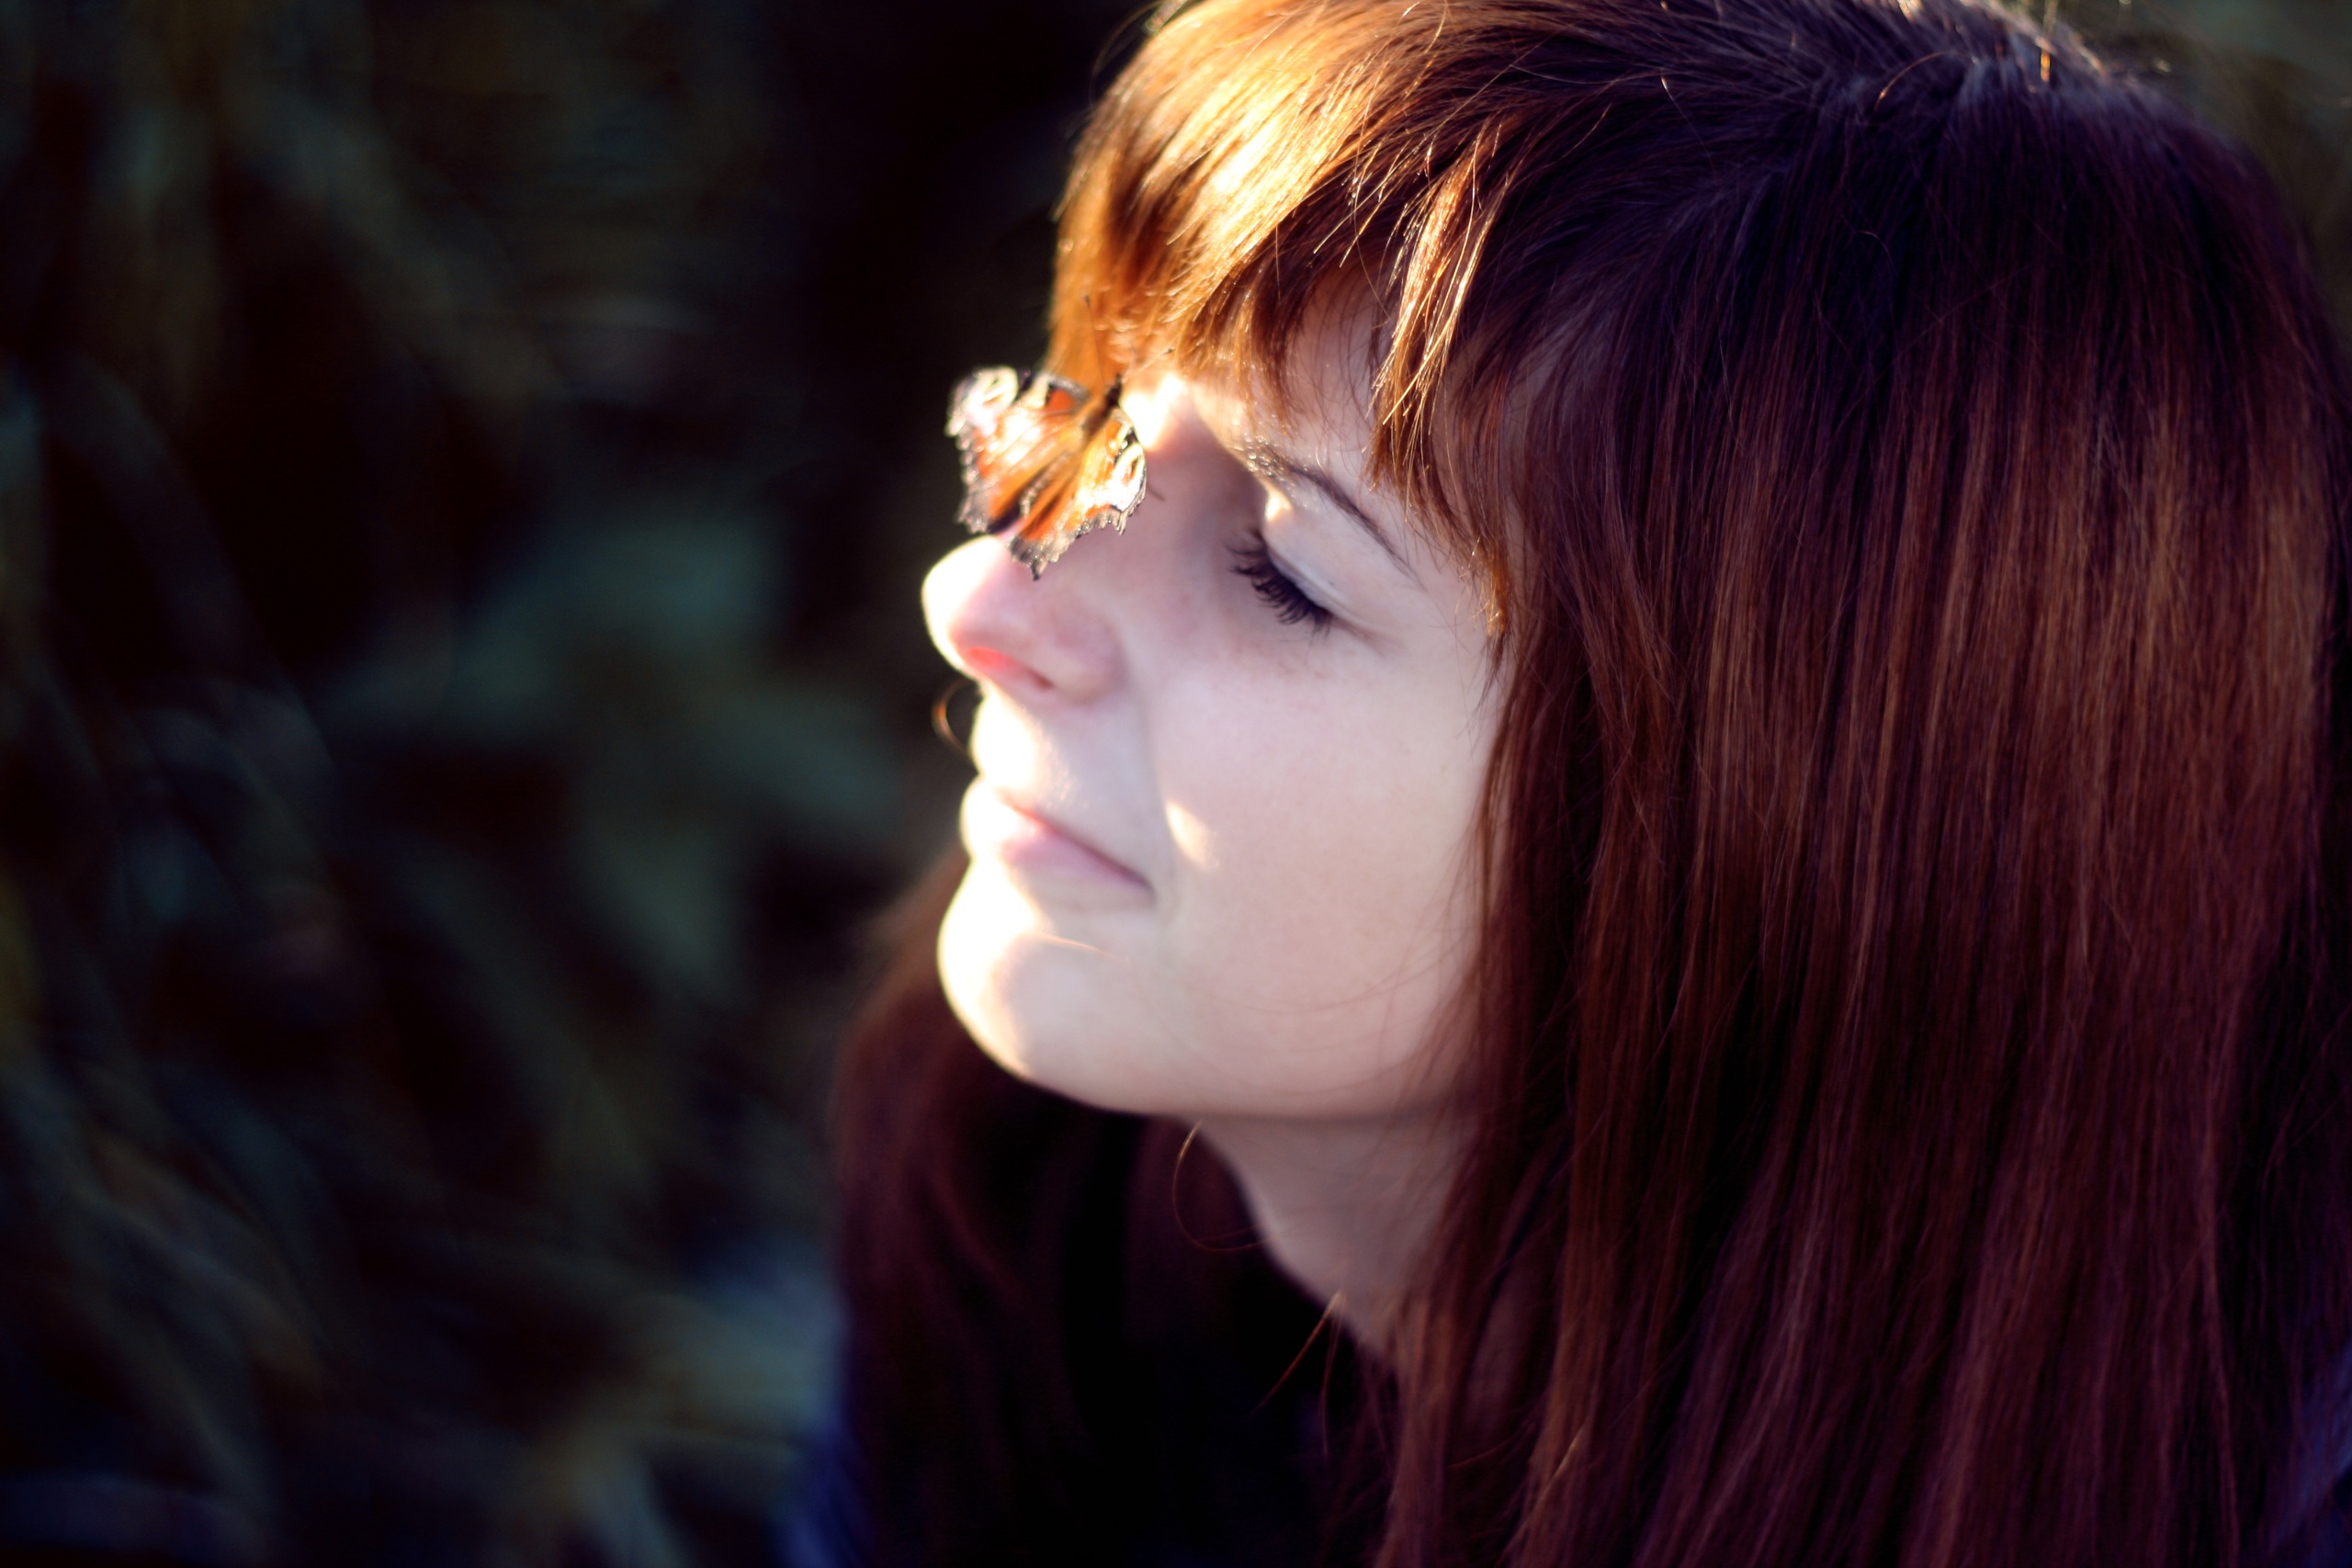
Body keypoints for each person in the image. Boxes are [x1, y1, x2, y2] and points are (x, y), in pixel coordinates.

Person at [795, 0, 2352, 1563]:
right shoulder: (1022, 1232)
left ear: (1797, 834)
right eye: (1100, 424)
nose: (981, 597)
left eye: (1281, 570)